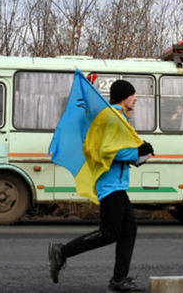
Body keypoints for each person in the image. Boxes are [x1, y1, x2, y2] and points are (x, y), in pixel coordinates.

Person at [48, 79, 154, 292]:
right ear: (123, 96)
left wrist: (140, 154)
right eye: (132, 94)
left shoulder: (120, 118)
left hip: (117, 184)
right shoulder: (112, 117)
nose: (136, 98)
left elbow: (117, 149)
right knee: (110, 232)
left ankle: (118, 280)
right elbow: (105, 151)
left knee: (128, 230)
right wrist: (137, 152)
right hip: (110, 184)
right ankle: (62, 251)